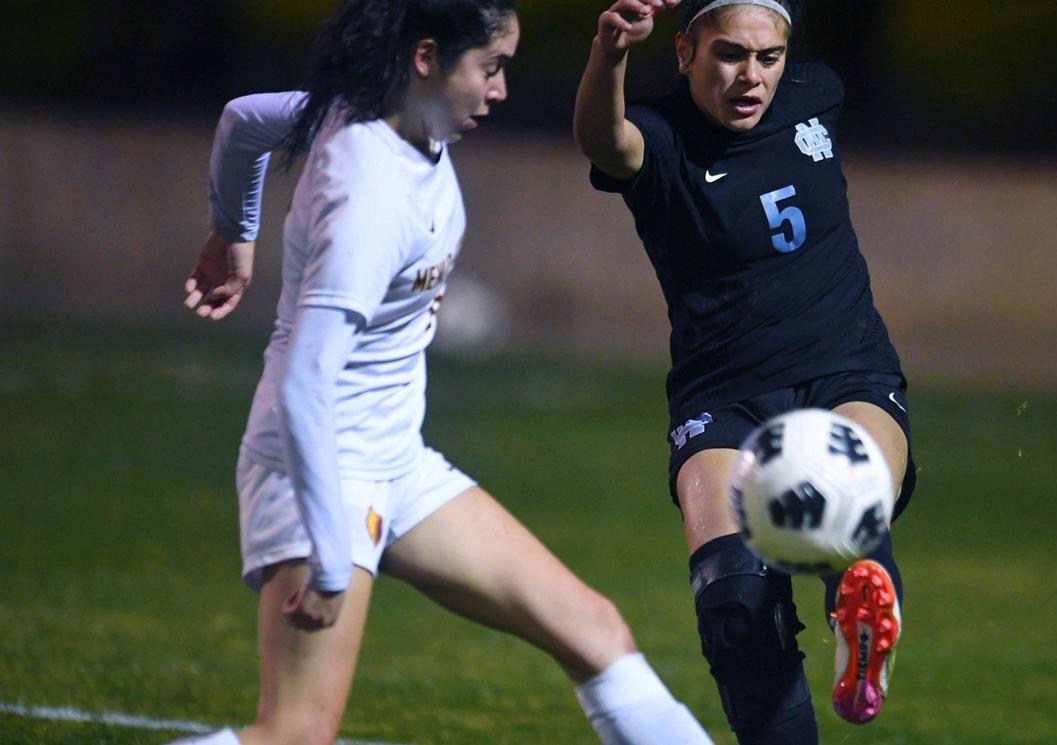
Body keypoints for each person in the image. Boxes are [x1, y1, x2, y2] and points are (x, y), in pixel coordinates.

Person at [173, 2, 715, 744]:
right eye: (489, 68)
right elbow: (306, 384)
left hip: (395, 459)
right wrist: (332, 553)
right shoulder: (368, 196)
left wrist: (231, 232)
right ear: (426, 58)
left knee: (595, 630)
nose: (499, 91)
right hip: (321, 471)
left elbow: (245, 120)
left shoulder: (372, 113)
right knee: (294, 734)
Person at [574, 0, 914, 742]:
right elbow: (604, 139)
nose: (750, 77)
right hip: (723, 394)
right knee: (733, 603)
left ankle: (860, 606)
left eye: (768, 57)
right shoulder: (662, 140)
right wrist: (609, 52)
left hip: (845, 372)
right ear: (685, 51)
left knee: (835, 494)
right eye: (728, 54)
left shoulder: (814, 92)